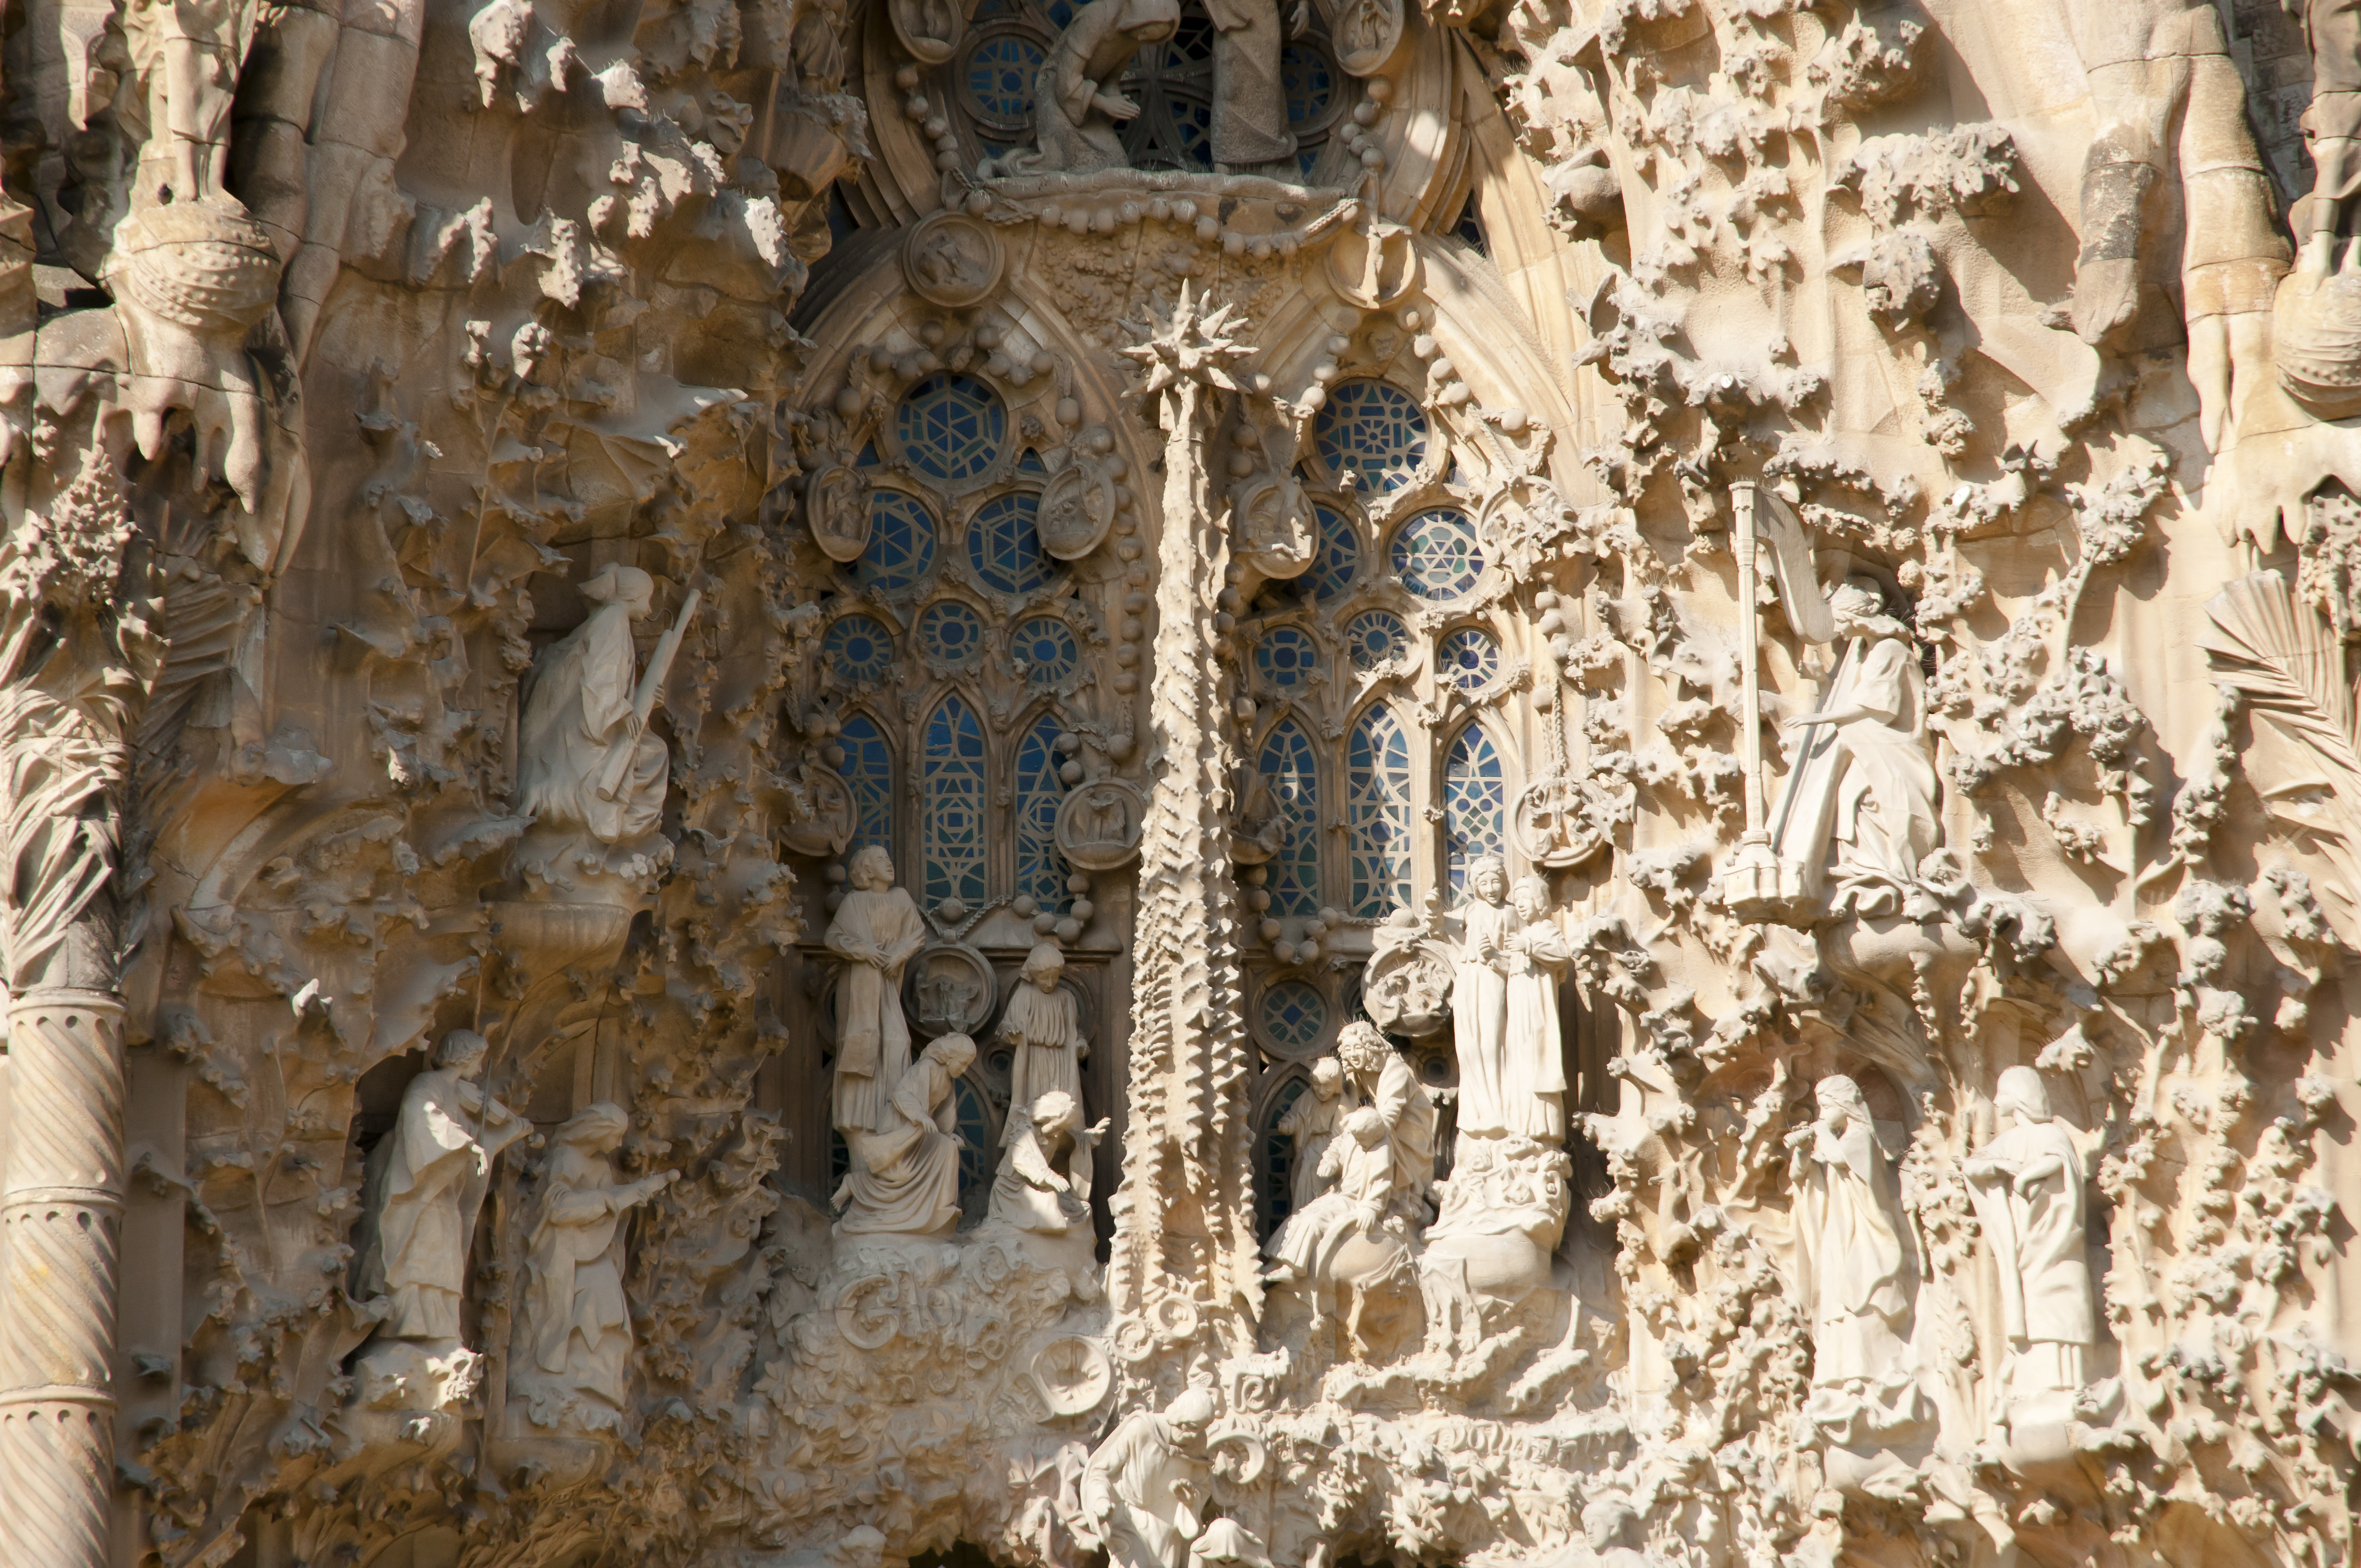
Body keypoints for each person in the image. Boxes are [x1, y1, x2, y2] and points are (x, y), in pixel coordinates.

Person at [1769, 581, 1941, 921]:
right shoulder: (1871, 651)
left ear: (1854, 617)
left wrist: (1818, 717)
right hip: (1871, 743)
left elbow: (1876, 706)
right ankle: (1869, 871)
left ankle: (1899, 876)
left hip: (1891, 744)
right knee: (1850, 797)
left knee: (1874, 801)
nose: (1836, 629)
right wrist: (1822, 683)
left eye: (1839, 620)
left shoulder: (1889, 650)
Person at [358, 1030, 529, 1342]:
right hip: (421, 1190)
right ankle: (406, 1327)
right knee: (420, 1252)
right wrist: (465, 1144)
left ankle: (438, 1329)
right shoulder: (428, 1084)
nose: (480, 1069)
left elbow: (475, 1139)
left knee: (444, 1258)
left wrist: (502, 1136)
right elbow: (421, 1115)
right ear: (464, 1058)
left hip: (444, 1193)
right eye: (478, 1060)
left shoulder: (454, 1094)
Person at [518, 1103, 678, 1417]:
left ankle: (599, 1381)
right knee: (590, 1292)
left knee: (606, 1293)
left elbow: (610, 1208)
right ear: (598, 1132)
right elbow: (558, 1208)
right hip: (561, 1249)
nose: (619, 1144)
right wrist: (604, 1201)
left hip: (590, 1250)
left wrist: (632, 1194)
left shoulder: (601, 1169)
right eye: (615, 1136)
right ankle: (564, 1373)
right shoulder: (565, 1158)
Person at [1963, 1066, 2096, 1415]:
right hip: (2024, 1239)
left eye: (2001, 1094)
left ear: (2019, 1097)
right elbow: (1974, 1166)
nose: (1995, 1101)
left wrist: (2024, 1176)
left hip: (2053, 1237)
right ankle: (2033, 1382)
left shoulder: (2051, 1133)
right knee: (2030, 1303)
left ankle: (2066, 1383)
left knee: (2056, 1300)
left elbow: (2061, 1162)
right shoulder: (2007, 1141)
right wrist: (2004, 1165)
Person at [516, 563, 673, 845]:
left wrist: (641, 697)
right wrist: (621, 712)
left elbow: (606, 679)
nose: (650, 611)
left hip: (594, 714)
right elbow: (600, 677)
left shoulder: (609, 620)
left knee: (651, 750)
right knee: (653, 753)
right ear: (632, 597)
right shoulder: (613, 619)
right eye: (647, 601)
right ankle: (607, 820)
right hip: (585, 723)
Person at [1786, 1076, 1911, 1393]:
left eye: (1826, 1106)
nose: (1822, 1112)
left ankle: (1867, 1370)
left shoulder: (1861, 1137)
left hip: (1861, 1231)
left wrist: (1821, 1132)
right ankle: (1836, 1373)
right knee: (1834, 1294)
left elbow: (1841, 1159)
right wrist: (1802, 1153)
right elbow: (1805, 1175)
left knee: (1859, 1294)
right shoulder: (1836, 1142)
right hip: (1837, 1230)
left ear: (1844, 1106)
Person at [1002, 0, 1181, 175]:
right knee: (1068, 168)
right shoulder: (1097, 17)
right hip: (1056, 95)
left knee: (1116, 163)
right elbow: (1065, 83)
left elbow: (1111, 81)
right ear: (1139, 18)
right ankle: (1007, 166)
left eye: (1151, 38)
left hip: (1087, 103)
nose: (1143, 38)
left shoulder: (1133, 36)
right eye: (1145, 32)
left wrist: (1115, 101)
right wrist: (1105, 104)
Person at [825, 846, 929, 1137]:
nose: (889, 863)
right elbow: (833, 937)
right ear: (867, 870)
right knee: (864, 1041)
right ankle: (861, 1119)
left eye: (889, 858)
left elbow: (917, 933)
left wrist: (899, 953)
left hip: (888, 981)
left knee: (897, 1040)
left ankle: (893, 1112)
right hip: (861, 984)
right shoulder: (854, 902)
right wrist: (862, 950)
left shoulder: (900, 898)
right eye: (881, 860)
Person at [837, 1032, 976, 1236]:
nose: (964, 1070)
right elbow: (901, 1094)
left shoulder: (948, 1081)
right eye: (962, 1064)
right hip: (900, 1126)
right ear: (950, 1057)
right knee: (901, 1174)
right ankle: (855, 1184)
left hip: (920, 1132)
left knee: (948, 1148)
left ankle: (941, 1207)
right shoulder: (927, 1068)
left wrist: (948, 1135)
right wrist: (920, 1115)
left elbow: (945, 1113)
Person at [1082, 1388, 1216, 1568]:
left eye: (1200, 1429)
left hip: (1169, 1533)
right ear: (1177, 1417)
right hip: (1133, 1523)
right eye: (1190, 1427)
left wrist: (1191, 1498)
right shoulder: (1141, 1429)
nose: (1193, 1435)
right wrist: (1100, 1499)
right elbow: (1100, 1470)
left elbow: (1203, 1484)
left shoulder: (1198, 1441)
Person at [1263, 1106, 1392, 1287]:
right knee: (1299, 1216)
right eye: (1355, 1137)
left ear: (1376, 1136)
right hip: (1338, 1194)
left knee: (1314, 1221)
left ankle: (1292, 1269)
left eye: (1362, 1139)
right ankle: (1273, 1263)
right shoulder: (1354, 1135)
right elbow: (1338, 1145)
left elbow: (1382, 1184)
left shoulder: (1382, 1150)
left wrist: (1371, 1208)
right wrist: (1330, 1161)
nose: (1357, 1142)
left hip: (1354, 1202)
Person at [1335, 1021, 1435, 1223]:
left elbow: (1389, 1114)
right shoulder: (1357, 1069)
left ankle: (1403, 1203)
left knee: (1384, 1147)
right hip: (1384, 1120)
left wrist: (1368, 1131)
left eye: (1358, 1048)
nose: (1353, 1054)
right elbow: (1350, 1104)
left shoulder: (1394, 1067)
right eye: (1347, 1050)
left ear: (1370, 1047)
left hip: (1410, 1123)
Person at [1449, 858, 1519, 1137]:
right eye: (1484, 883)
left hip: (1495, 977)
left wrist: (1497, 956)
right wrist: (1432, 910)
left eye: (1496, 882)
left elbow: (1524, 954)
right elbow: (1441, 926)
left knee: (1493, 1038)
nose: (1491, 889)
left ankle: (1499, 1106)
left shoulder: (1513, 913)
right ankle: (1475, 1109)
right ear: (1475, 887)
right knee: (1469, 1043)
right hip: (1468, 977)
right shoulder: (1469, 909)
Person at [1501, 877, 1573, 1143]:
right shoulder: (1523, 935)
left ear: (1540, 902)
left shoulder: (1545, 929)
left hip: (1537, 1008)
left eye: (1526, 900)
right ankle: (1521, 1126)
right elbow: (1513, 968)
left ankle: (1542, 1130)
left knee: (1537, 1061)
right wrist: (1493, 958)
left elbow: (1561, 954)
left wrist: (1529, 947)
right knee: (1520, 1063)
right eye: (1517, 900)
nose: (1520, 905)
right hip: (1519, 1010)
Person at [1000, 943, 1086, 1143]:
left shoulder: (1067, 998)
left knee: (1064, 1112)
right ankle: (1031, 1152)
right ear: (1033, 975)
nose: (1049, 983)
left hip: (1062, 1063)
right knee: (1035, 1113)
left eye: (1054, 977)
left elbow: (1075, 1029)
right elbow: (1005, 1028)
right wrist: (1010, 1033)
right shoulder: (1023, 997)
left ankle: (1064, 1150)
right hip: (1033, 1063)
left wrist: (1081, 1042)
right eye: (1043, 978)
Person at [989, 1089, 1101, 1233]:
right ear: (1046, 1118)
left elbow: (1073, 1142)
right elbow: (1023, 1158)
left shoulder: (1055, 1134)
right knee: (1050, 1204)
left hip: (1038, 1187)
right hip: (1011, 1189)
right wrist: (1048, 1176)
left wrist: (1089, 1138)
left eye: (1062, 1129)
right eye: (1056, 1127)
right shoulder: (1024, 1130)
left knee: (1082, 1209)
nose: (1058, 1133)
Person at [1275, 1057, 1346, 1213]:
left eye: (1327, 1086)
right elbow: (1296, 1116)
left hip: (1333, 1145)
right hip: (1312, 1146)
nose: (1321, 1091)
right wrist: (1289, 1125)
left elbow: (1346, 1130)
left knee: (1328, 1180)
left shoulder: (1342, 1102)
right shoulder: (1308, 1097)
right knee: (1307, 1174)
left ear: (1336, 1084)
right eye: (1317, 1085)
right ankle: (1304, 1213)